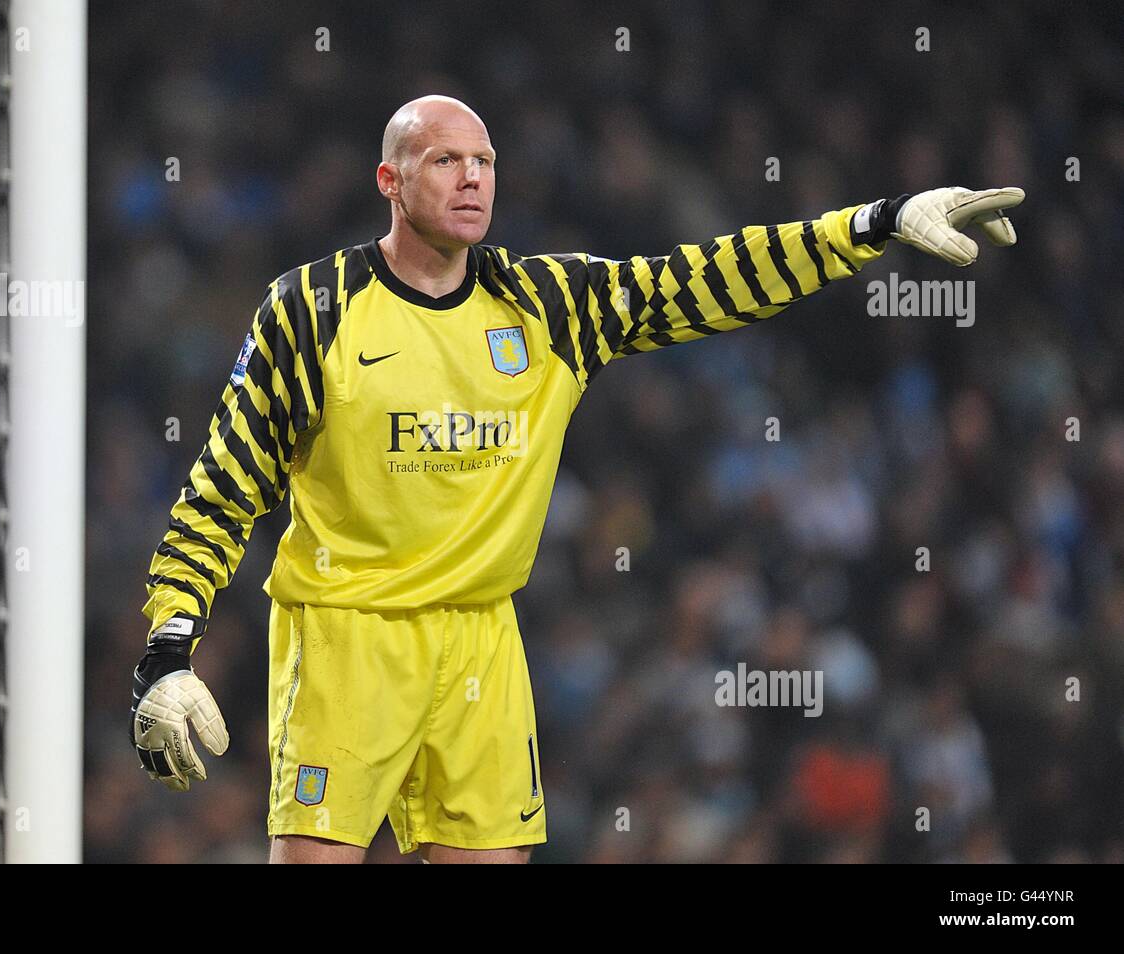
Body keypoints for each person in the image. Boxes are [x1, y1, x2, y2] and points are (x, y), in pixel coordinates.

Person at [129, 94, 1024, 864]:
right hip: (346, 637)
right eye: (446, 160)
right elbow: (224, 485)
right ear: (390, 182)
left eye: (485, 160)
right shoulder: (311, 308)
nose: (475, 177)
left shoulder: (548, 303)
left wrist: (873, 222)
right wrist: (168, 652)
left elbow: (710, 278)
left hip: (482, 637)